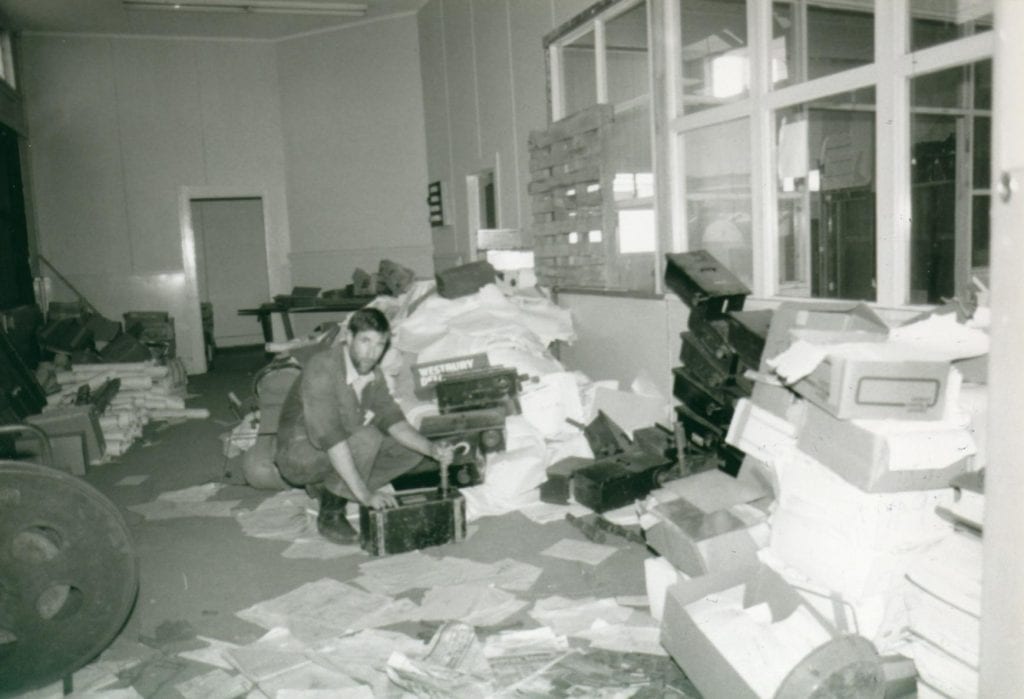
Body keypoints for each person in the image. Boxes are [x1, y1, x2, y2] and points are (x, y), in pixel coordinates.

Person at [274, 307, 453, 543]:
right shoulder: (322, 368)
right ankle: (331, 513)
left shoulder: (374, 375)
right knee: (368, 437)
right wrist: (365, 496)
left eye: (380, 344)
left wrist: (431, 449)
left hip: (338, 443)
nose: (372, 352)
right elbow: (331, 440)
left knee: (409, 450)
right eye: (365, 341)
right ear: (348, 338)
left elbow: (394, 421)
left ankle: (330, 488)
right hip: (299, 454)